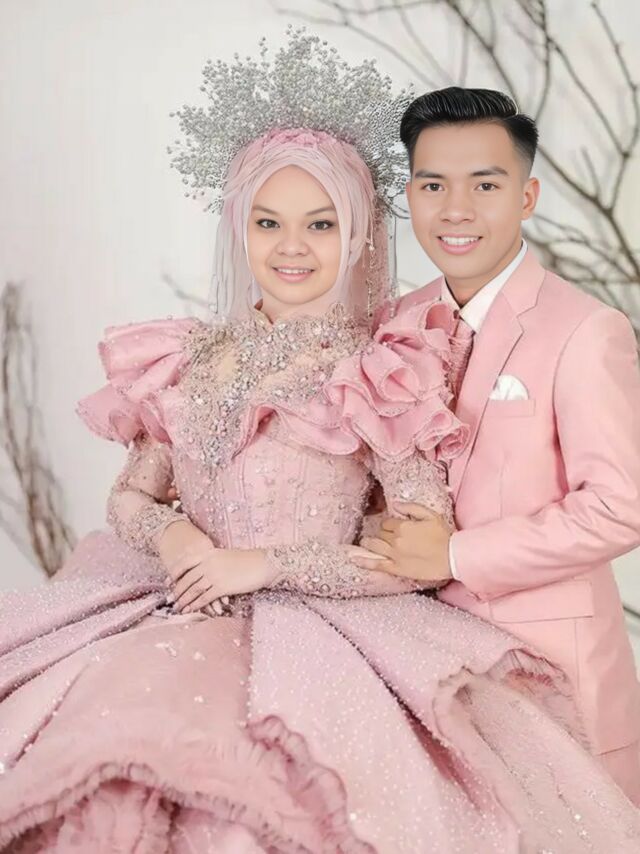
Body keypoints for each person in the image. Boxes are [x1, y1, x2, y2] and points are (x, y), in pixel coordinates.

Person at [0, 38, 638, 853]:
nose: (292, 246)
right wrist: (176, 535)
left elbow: (592, 509)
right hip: (194, 611)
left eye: (321, 224)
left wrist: (276, 562)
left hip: (449, 640)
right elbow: (135, 490)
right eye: (268, 223)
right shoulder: (333, 334)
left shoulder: (399, 362)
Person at [359, 86, 640, 804]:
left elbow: (620, 507)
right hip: (415, 666)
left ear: (526, 196)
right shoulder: (389, 323)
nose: (456, 209)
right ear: (411, 196)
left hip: (551, 673)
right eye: (433, 185)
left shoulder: (586, 330)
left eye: (484, 185)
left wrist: (456, 556)